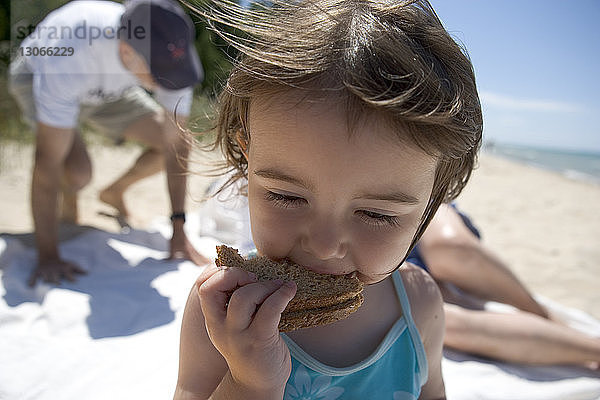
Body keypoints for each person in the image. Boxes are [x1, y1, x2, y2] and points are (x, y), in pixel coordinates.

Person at [174, 0, 483, 398]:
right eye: (286, 197)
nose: (323, 245)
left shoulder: (420, 305)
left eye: (375, 214)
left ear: (432, 200)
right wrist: (248, 383)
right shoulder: (221, 309)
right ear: (248, 158)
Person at [8, 0, 210, 286]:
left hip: (110, 88)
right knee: (77, 172)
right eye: (162, 75)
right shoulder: (69, 53)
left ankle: (113, 192)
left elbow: (176, 145)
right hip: (39, 75)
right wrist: (48, 256)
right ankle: (68, 218)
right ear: (127, 52)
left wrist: (179, 229)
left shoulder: (171, 60)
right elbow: (46, 162)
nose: (172, 85)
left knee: (178, 141)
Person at [409, 203, 600, 369]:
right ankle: (592, 349)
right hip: (397, 264)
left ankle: (544, 316)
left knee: (452, 248)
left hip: (414, 206)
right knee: (440, 321)